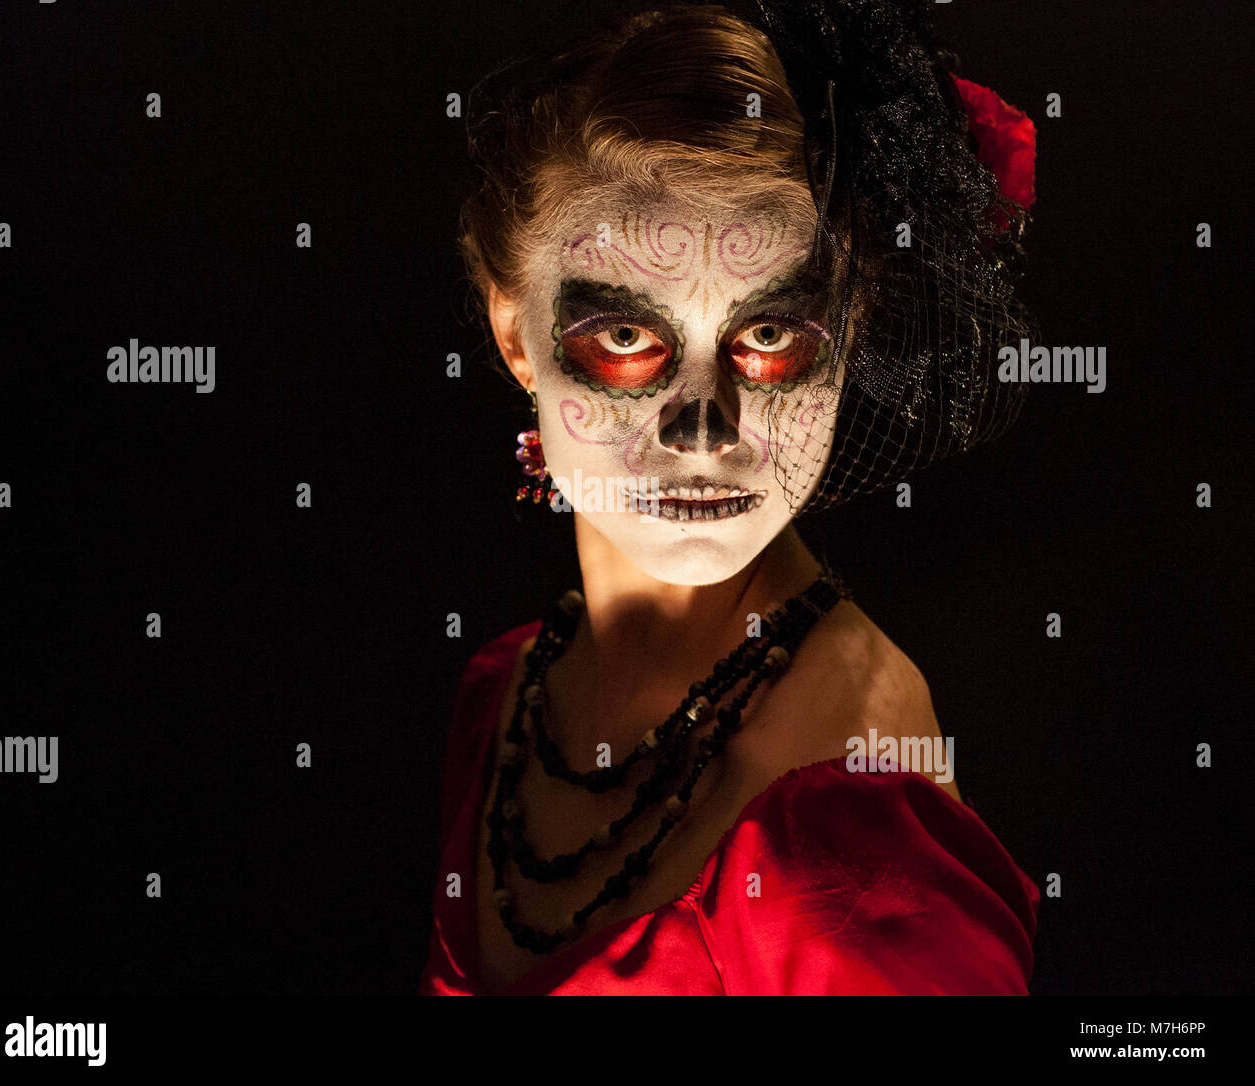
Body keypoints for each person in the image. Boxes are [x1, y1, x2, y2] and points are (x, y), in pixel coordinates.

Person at [419, 0, 1041, 995]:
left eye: (771, 337)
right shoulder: (506, 693)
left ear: (851, 326)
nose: (703, 428)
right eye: (624, 339)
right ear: (511, 333)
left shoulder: (847, 834)